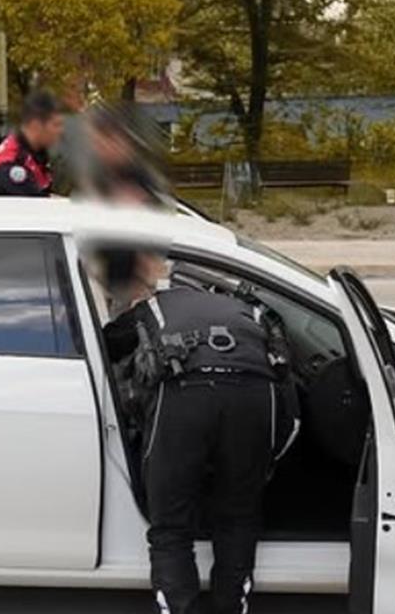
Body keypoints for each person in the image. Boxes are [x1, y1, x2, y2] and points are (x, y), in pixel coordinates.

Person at [100, 248, 295, 614]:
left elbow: (103, 345)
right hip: (255, 396)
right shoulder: (252, 312)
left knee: (171, 529)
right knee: (238, 519)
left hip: (184, 396)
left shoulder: (153, 309)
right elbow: (288, 397)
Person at [0, 90, 65, 196]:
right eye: (56, 125)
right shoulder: (11, 165)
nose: (60, 131)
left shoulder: (34, 156)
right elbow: (40, 207)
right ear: (36, 125)